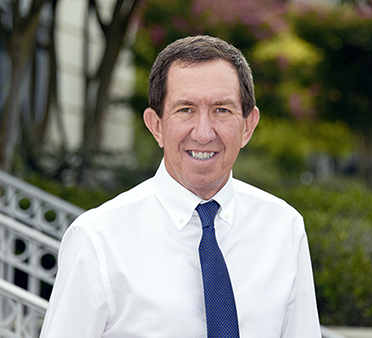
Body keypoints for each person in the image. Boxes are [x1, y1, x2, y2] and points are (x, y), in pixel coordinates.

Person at [40, 35, 321, 338]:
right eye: (185, 109)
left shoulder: (284, 228)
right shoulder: (97, 239)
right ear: (156, 125)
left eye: (221, 110)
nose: (203, 133)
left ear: (248, 126)